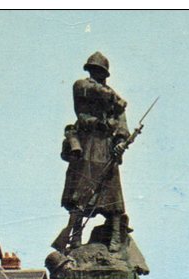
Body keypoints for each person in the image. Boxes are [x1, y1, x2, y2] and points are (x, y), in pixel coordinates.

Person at [57, 51, 131, 252]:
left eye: (100, 71)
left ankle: (115, 237)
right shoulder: (83, 86)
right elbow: (91, 91)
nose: (97, 74)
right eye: (94, 70)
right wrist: (116, 99)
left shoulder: (112, 98)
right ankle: (74, 238)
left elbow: (122, 122)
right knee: (81, 195)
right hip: (87, 144)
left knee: (113, 195)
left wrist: (121, 140)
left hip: (106, 147)